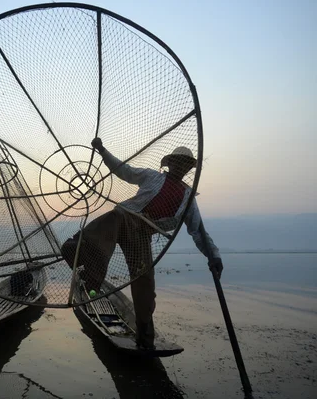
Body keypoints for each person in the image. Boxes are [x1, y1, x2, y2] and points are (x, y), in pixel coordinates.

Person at [61, 137, 222, 349]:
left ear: (188, 168)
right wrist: (102, 150)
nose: (179, 166)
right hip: (128, 219)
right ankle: (81, 254)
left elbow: (198, 231)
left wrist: (214, 256)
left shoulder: (188, 198)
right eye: (176, 162)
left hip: (143, 236)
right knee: (114, 217)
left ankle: (145, 336)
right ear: (170, 163)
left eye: (184, 164)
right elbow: (123, 170)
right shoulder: (152, 176)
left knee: (145, 283)